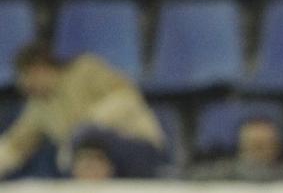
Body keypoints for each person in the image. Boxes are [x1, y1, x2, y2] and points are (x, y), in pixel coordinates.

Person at [0, 44, 165, 180]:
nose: (25, 84)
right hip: (85, 155)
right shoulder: (38, 106)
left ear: (41, 68)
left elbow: (126, 98)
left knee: (85, 137)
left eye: (27, 76)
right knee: (65, 158)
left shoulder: (85, 70)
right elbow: (16, 145)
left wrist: (85, 126)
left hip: (135, 146)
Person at [187, 117, 283, 182]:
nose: (259, 153)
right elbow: (190, 180)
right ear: (241, 147)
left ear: (277, 146)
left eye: (265, 145)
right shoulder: (223, 171)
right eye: (255, 146)